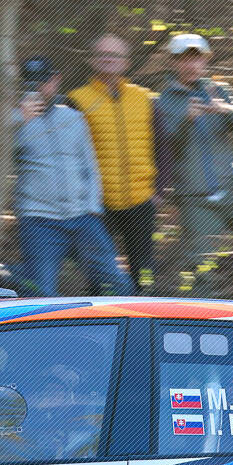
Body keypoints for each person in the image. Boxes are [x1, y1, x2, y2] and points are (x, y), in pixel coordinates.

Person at [154, 33, 233, 296]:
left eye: (197, 58)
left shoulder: (220, 90)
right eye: (184, 59)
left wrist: (226, 109)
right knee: (201, 267)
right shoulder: (162, 102)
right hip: (196, 197)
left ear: (206, 60)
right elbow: (165, 150)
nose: (192, 65)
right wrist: (186, 121)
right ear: (173, 62)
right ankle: (200, 315)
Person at [12, 56, 131, 297]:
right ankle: (9, 280)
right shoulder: (14, 121)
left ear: (55, 80)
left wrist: (93, 208)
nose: (38, 88)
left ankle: (101, 320)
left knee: (118, 285)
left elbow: (90, 166)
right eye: (31, 83)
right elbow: (1, 158)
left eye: (43, 82)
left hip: (82, 219)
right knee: (41, 295)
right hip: (40, 222)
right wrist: (19, 121)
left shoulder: (73, 119)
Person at [67, 34, 159, 291]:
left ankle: (146, 308)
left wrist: (160, 191)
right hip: (97, 204)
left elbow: (162, 146)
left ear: (126, 62)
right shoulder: (76, 100)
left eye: (115, 55)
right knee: (97, 271)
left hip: (141, 199)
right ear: (92, 60)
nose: (109, 59)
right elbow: (69, 153)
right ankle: (99, 311)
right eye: (103, 54)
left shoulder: (145, 99)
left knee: (144, 272)